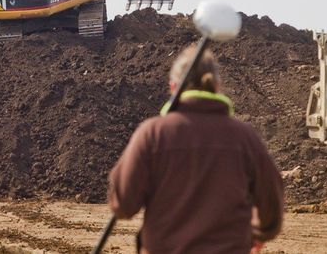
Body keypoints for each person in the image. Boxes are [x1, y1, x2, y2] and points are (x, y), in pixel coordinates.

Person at [108, 45, 284, 254]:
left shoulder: (152, 134)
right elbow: (271, 207)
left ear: (173, 87)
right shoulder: (245, 138)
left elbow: (123, 204)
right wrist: (257, 233)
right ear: (217, 86)